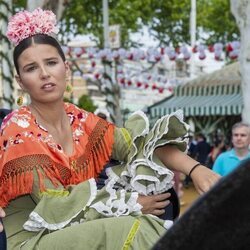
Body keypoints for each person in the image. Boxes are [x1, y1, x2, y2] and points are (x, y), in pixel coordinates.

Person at [0, 8, 220, 250]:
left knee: (143, 223)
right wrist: (132, 203)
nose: (44, 74)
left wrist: (197, 170)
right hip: (34, 240)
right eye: (31, 68)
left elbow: (138, 146)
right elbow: (56, 203)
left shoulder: (82, 120)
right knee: (129, 226)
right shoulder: (17, 129)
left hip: (78, 229)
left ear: (66, 67)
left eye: (51, 63)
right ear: (20, 81)